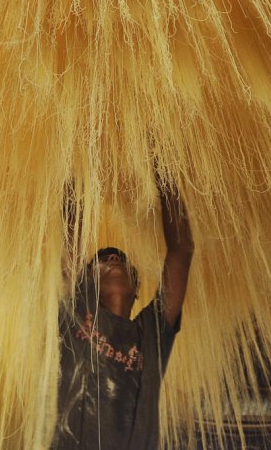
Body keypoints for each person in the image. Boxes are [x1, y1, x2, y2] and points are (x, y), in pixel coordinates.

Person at [53, 181, 195, 449]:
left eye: (121, 259)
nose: (114, 259)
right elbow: (72, 226)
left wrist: (164, 169)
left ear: (137, 288)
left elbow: (181, 250)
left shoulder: (152, 334)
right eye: (101, 259)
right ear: (85, 282)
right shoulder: (74, 311)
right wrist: (77, 161)